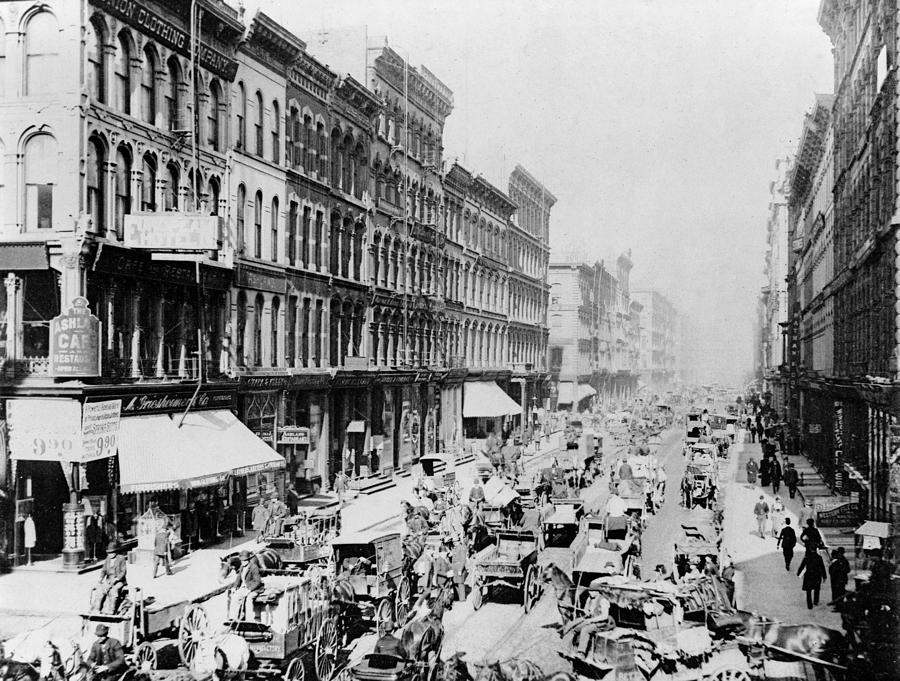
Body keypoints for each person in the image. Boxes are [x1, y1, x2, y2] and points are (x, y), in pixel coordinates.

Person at [229, 550, 263, 620]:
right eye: (241, 561)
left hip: (254, 589)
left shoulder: (254, 567)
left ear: (248, 560)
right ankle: (233, 618)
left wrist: (249, 589)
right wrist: (235, 587)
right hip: (244, 588)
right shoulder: (242, 567)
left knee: (249, 599)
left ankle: (249, 619)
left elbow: (257, 582)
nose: (243, 562)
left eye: (244, 560)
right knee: (235, 597)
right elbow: (238, 578)